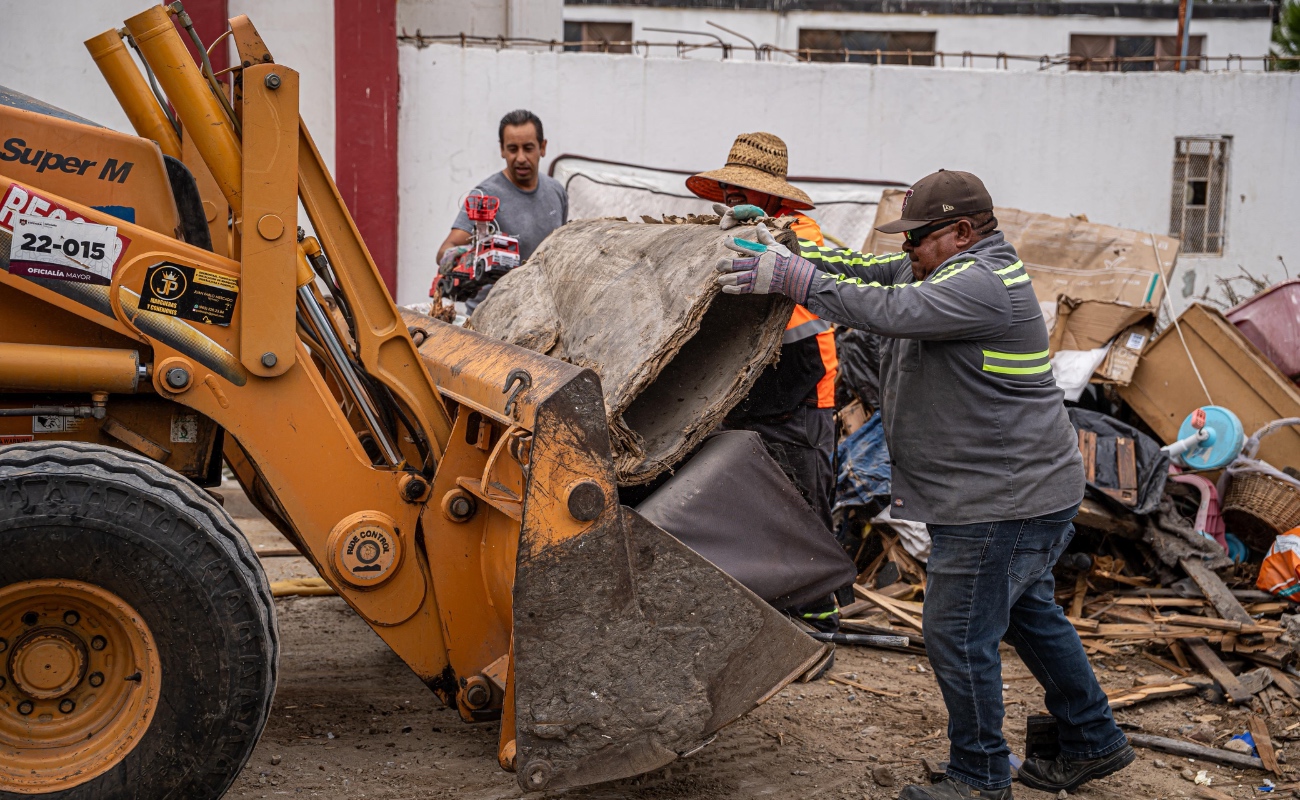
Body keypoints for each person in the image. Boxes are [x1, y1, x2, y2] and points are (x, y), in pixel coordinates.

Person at [713, 169, 1134, 799]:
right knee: (1027, 612)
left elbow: (889, 310)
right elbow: (866, 270)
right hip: (1015, 490)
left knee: (956, 629)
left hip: (1001, 498)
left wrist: (794, 279)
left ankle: (978, 777)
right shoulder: (943, 270)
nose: (907, 250)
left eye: (919, 238)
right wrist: (786, 245)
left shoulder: (982, 284)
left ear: (962, 231)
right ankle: (1091, 736)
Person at [686, 132, 839, 529]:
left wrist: (759, 225)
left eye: (744, 185)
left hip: (801, 401)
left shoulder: (802, 229)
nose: (731, 192)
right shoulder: (722, 231)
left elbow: (795, 252)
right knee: (746, 516)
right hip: (745, 395)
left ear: (772, 195)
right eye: (728, 184)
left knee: (805, 519)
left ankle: (821, 592)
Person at [436, 109, 568, 309]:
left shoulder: (556, 192)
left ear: (542, 147)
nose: (521, 158)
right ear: (502, 150)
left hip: (540, 312)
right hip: (490, 317)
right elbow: (445, 251)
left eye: (528, 148)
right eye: (513, 149)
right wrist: (466, 259)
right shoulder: (484, 198)